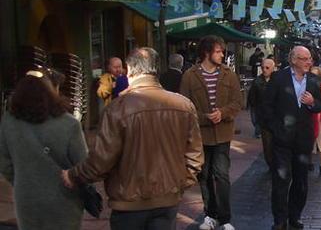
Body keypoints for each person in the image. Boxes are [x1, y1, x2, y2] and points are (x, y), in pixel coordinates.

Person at [63, 48, 204, 230]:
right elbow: (195, 155)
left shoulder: (118, 108)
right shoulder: (183, 105)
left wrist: (74, 175)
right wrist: (180, 183)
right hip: (167, 200)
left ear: (129, 70)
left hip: (129, 203)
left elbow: (101, 161)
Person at [0, 69, 86, 230]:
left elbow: (5, 165)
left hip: (26, 198)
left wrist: (23, 181)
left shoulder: (8, 123)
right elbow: (82, 164)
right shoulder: (69, 123)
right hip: (64, 199)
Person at [179, 36, 243, 230]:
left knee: (222, 175)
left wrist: (222, 113)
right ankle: (210, 214)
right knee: (204, 175)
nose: (222, 54)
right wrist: (206, 117)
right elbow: (184, 106)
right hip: (201, 135)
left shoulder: (228, 74)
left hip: (223, 134)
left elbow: (237, 102)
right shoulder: (190, 76)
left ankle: (225, 218)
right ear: (207, 52)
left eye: (222, 51)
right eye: (218, 51)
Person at [261, 46, 321, 230]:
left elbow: (320, 104)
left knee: (301, 181)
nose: (308, 62)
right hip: (282, 140)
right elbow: (266, 106)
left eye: (310, 58)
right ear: (294, 60)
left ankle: (294, 216)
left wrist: (313, 103)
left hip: (303, 140)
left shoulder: (313, 80)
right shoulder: (279, 78)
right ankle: (279, 219)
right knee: (281, 179)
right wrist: (275, 129)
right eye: (304, 59)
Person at [247, 58, 276, 143]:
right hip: (259, 108)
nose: (264, 70)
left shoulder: (277, 80)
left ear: (273, 68)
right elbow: (252, 96)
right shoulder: (257, 81)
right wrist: (253, 105)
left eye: (267, 68)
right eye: (263, 67)